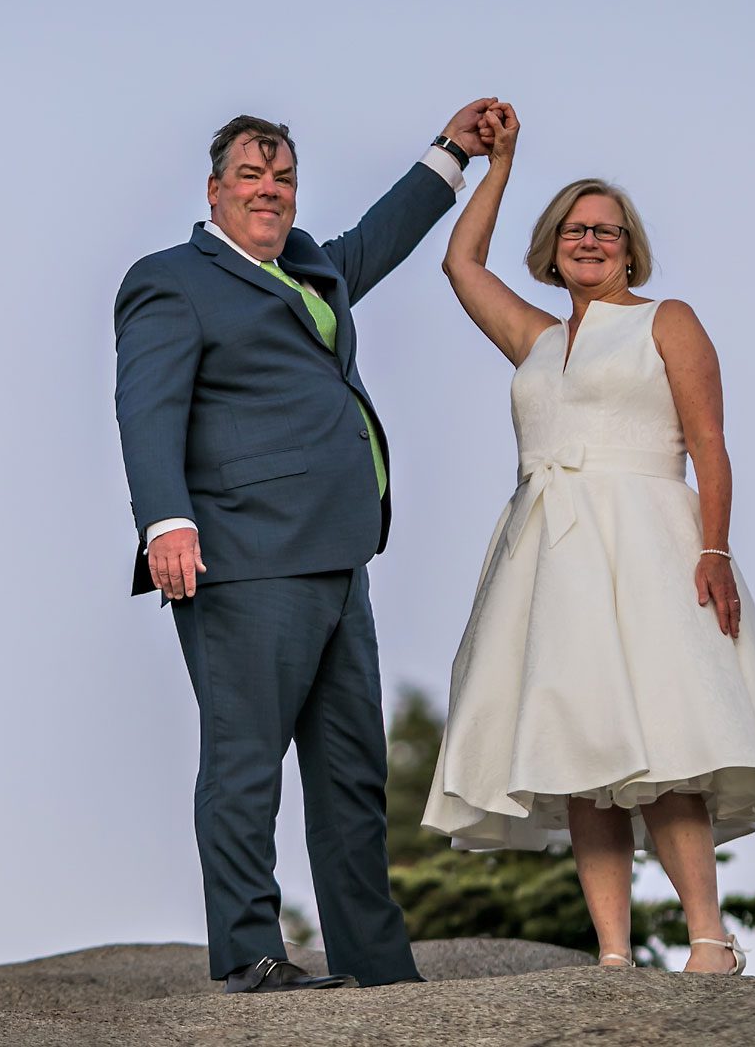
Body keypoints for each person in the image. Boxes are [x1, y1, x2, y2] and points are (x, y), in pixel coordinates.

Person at [424, 103, 755, 973]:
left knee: (667, 749)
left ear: (631, 247)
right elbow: (460, 261)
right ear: (552, 244)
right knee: (578, 753)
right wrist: (498, 166)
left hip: (648, 542)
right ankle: (612, 954)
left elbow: (710, 444)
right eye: (574, 229)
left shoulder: (665, 320)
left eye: (607, 230)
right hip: (548, 555)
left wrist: (714, 551)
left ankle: (709, 941)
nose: (590, 240)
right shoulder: (535, 338)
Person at [114, 100, 496, 992]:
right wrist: (164, 519)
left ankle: (375, 964)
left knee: (352, 774)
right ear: (214, 191)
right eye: (252, 176)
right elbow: (147, 405)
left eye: (283, 177)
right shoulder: (172, 280)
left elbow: (384, 236)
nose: (270, 190)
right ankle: (251, 955)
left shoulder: (310, 266)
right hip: (241, 557)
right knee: (245, 764)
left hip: (339, 556)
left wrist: (452, 152)